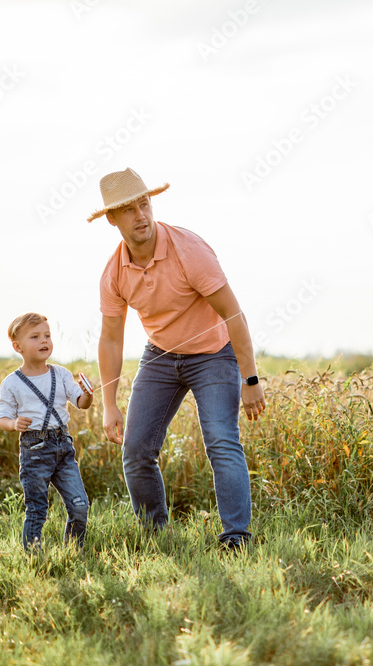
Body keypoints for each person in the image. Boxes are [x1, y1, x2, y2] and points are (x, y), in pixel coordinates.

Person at [90, 168, 265, 550]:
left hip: (214, 355)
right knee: (135, 450)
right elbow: (110, 339)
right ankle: (155, 536)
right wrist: (108, 404)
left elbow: (234, 314)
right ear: (112, 219)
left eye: (144, 204)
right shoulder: (113, 272)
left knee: (221, 439)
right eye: (129, 210)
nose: (141, 215)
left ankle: (236, 538)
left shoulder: (189, 250)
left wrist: (250, 380)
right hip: (160, 357)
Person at [0, 313, 93, 551]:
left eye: (47, 335)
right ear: (17, 346)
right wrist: (14, 423)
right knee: (37, 509)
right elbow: (2, 418)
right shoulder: (11, 383)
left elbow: (81, 403)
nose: (44, 341)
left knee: (80, 506)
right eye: (35, 336)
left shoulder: (60, 374)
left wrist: (87, 392)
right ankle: (33, 558)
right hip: (34, 451)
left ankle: (72, 551)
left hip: (63, 446)